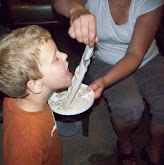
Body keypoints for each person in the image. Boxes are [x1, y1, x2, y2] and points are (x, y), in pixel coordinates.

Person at [52, 0, 164, 165]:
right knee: (128, 107)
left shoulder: (150, 2)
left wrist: (105, 81)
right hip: (105, 60)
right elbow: (58, 2)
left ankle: (154, 148)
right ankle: (124, 142)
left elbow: (135, 54)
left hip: (146, 59)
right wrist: (76, 10)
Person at [0, 25, 72, 165]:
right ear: (35, 85)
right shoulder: (28, 141)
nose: (65, 55)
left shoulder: (14, 97)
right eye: (55, 58)